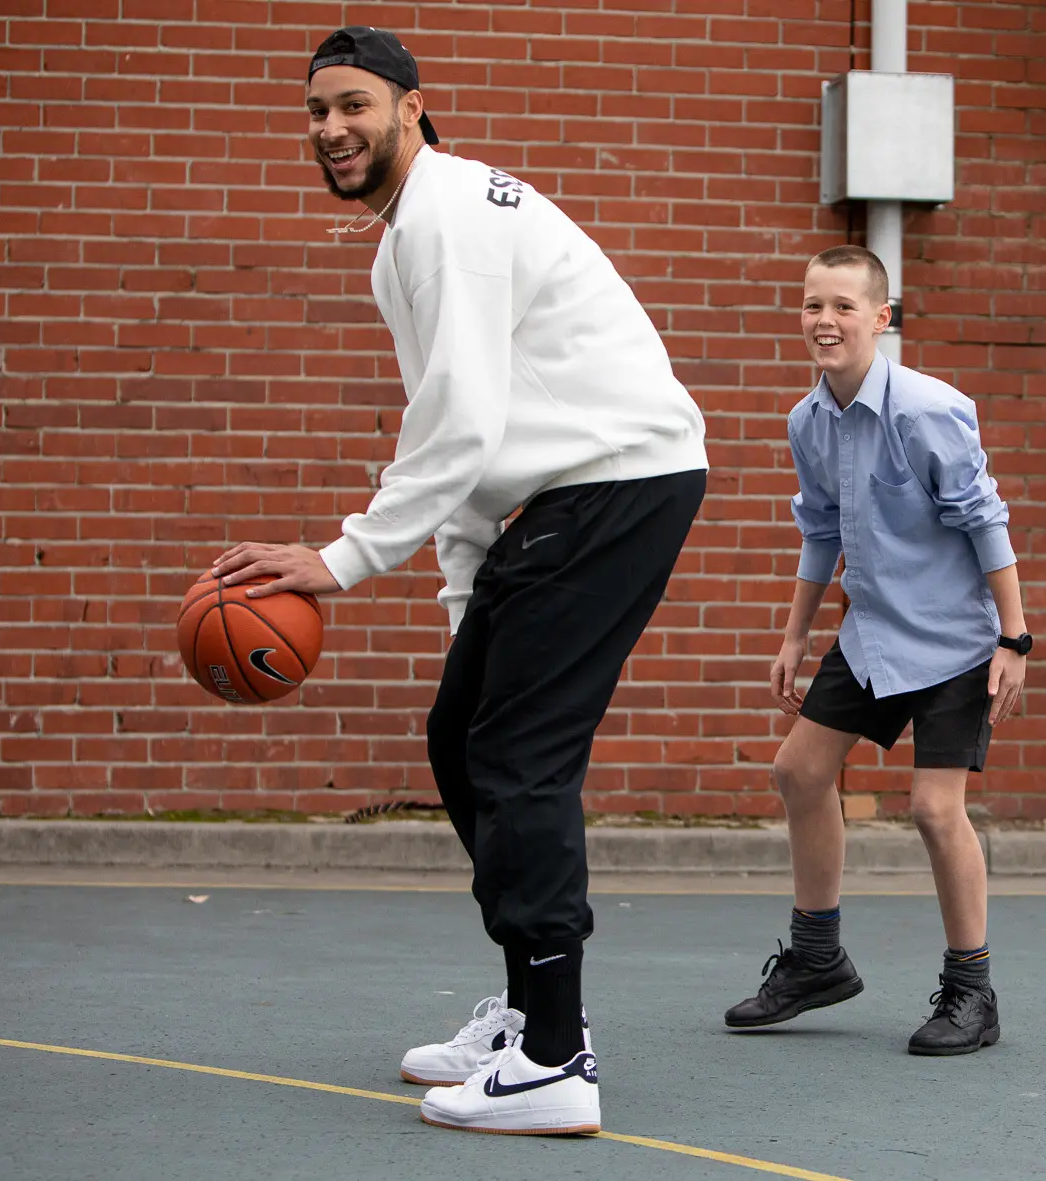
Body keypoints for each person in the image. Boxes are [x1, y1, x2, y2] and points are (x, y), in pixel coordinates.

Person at [212, 27, 709, 1135]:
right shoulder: (406, 238)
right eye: (315, 113)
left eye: (352, 106)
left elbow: (460, 425)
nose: (332, 129)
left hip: (617, 482)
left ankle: (552, 1057)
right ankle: (529, 1007)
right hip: (570, 492)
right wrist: (463, 608)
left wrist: (338, 557)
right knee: (461, 736)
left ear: (411, 107)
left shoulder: (442, 222)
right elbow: (461, 443)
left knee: (518, 754)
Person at [723, 245, 1029, 1055]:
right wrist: (794, 634)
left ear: (880, 319)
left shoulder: (928, 408)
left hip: (958, 640)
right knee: (797, 770)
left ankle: (972, 991)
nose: (825, 321)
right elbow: (821, 530)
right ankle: (817, 959)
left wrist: (1015, 638)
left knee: (935, 808)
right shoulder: (807, 420)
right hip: (871, 635)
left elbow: (984, 518)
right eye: (812, 305)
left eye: (843, 307)